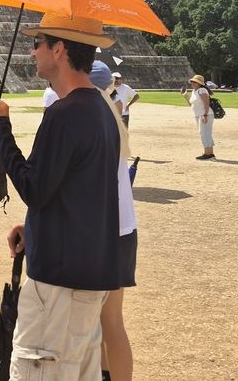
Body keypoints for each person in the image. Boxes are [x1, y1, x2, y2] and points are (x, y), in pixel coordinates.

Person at [0, 14, 121, 381]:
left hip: (59, 285)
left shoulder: (65, 113)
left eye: (37, 43)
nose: (32, 52)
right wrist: (36, 229)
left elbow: (34, 188)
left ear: (59, 49)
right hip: (87, 275)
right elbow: (79, 193)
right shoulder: (100, 109)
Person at [90, 63, 137, 381]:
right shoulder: (111, 117)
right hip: (121, 229)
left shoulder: (92, 119)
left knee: (103, 321)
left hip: (103, 231)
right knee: (109, 320)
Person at [182, 75, 216, 160]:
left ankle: (208, 154)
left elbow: (206, 103)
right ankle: (209, 153)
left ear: (199, 83)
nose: (192, 83)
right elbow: (191, 104)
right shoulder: (194, 91)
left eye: (195, 82)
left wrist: (205, 115)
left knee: (205, 133)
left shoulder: (202, 90)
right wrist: (185, 96)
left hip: (205, 114)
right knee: (204, 133)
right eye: (192, 82)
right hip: (198, 114)